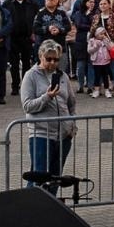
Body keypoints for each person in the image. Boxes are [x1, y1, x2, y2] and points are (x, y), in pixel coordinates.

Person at [21, 41, 77, 175]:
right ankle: (31, 196)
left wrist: (72, 126)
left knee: (55, 178)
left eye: (56, 59)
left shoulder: (63, 76)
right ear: (41, 56)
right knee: (39, 178)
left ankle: (51, 197)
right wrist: (47, 97)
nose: (52, 63)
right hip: (41, 134)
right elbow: (27, 106)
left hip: (63, 136)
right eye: (49, 59)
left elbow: (71, 103)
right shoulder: (31, 76)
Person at [87, 22, 114, 98]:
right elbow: (89, 50)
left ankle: (107, 90)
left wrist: (107, 42)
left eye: (104, 33)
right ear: (96, 34)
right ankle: (96, 90)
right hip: (96, 62)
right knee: (97, 76)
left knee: (105, 76)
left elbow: (110, 48)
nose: (103, 35)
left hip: (105, 61)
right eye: (101, 34)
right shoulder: (91, 41)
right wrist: (95, 47)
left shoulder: (105, 40)